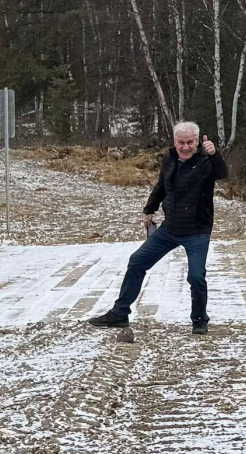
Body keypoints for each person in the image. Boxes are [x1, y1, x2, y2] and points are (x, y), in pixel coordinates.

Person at [88, 121, 228, 335]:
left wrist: (215, 154)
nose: (185, 147)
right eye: (181, 142)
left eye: (190, 142)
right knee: (137, 261)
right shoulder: (170, 159)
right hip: (169, 229)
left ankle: (199, 320)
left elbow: (222, 173)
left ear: (197, 142)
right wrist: (149, 209)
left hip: (197, 230)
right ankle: (119, 313)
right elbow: (162, 185)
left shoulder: (206, 161)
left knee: (196, 276)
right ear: (175, 142)